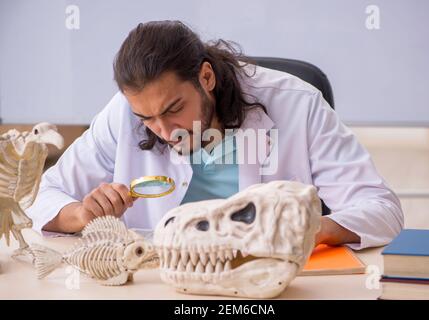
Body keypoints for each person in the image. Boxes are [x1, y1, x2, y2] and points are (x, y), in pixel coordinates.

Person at [26, 20, 403, 250]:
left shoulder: (298, 104)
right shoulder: (123, 114)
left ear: (206, 77)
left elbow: (381, 208)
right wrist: (80, 214)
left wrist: (307, 229)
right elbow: (44, 195)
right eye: (147, 117)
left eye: (174, 109)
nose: (164, 130)